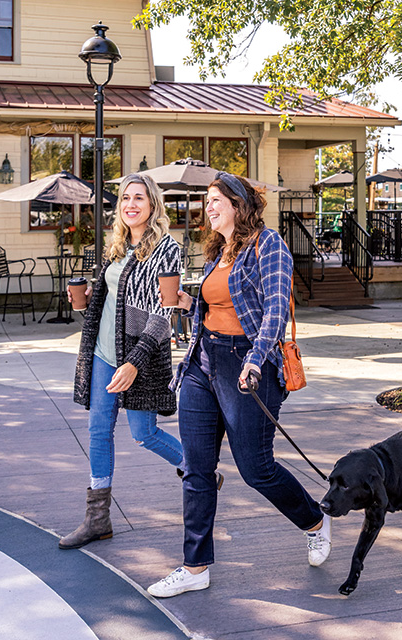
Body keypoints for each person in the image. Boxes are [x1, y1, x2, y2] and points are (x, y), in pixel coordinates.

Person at [147, 172, 331, 598]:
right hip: (202, 362)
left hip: (247, 364)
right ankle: (195, 568)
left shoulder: (269, 245)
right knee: (196, 468)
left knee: (255, 469)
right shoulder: (217, 251)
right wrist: (185, 304)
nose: (208, 208)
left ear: (237, 203)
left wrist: (254, 360)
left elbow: (274, 311)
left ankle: (316, 521)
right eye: (206, 201)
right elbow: (215, 308)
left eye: (215, 200)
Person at [60, 173, 191, 550]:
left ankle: (196, 469)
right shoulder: (116, 248)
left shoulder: (166, 249)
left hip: (142, 354)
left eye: (139, 198)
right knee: (98, 432)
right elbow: (108, 308)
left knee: (143, 433)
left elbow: (164, 313)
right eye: (125, 199)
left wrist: (134, 361)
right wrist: (84, 302)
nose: (131, 204)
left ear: (152, 205)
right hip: (103, 352)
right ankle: (97, 519)